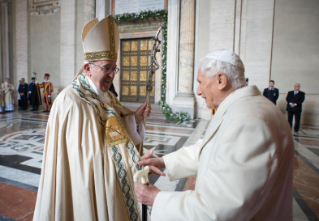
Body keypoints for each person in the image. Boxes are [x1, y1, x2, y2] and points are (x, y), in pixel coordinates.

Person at [135, 49, 294, 221]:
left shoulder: (247, 121)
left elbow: (218, 208)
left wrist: (157, 199)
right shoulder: (245, 108)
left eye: (200, 82)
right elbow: (211, 149)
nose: (198, 91)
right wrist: (164, 161)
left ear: (220, 80)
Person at [33, 15, 151, 221]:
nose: (112, 75)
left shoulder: (108, 97)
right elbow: (79, 160)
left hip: (107, 185)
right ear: (87, 68)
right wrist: (128, 160)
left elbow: (111, 132)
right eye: (106, 68)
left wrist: (135, 119)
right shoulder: (70, 102)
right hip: (85, 188)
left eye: (115, 68)